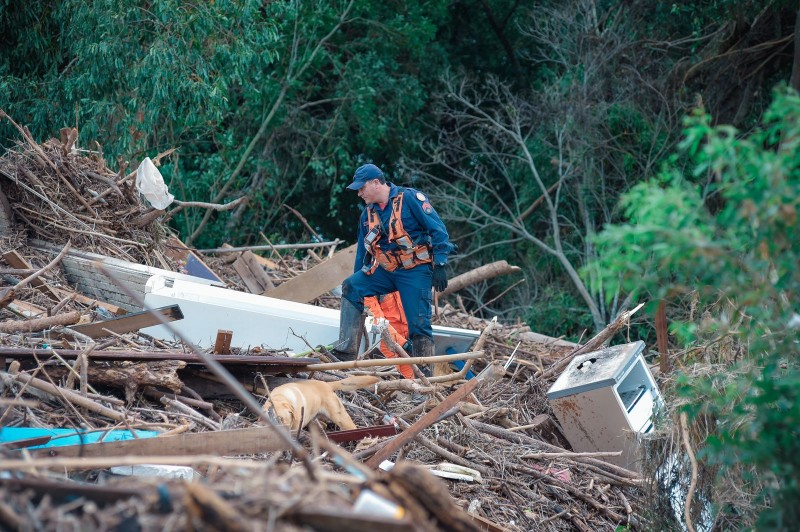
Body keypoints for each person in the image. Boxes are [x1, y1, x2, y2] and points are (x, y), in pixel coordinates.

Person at [334, 163, 453, 369]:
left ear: (376, 183)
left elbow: (438, 230)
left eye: (362, 188)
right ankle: (345, 354)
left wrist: (441, 263)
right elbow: (363, 253)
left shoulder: (410, 199)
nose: (359, 193)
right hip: (387, 271)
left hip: (415, 271)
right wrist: (359, 280)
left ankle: (423, 382)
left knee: (419, 326)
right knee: (351, 286)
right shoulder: (367, 215)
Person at [364, 293, 415, 379]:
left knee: (410, 384)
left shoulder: (397, 284)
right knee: (391, 382)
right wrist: (404, 344)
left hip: (405, 343)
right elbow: (377, 321)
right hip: (385, 345)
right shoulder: (369, 290)